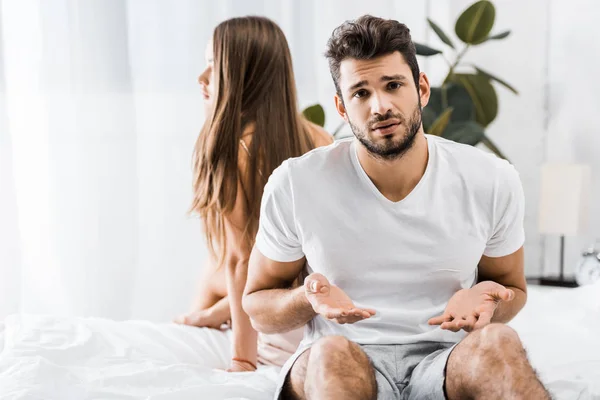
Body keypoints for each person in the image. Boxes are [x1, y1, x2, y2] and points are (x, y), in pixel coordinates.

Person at [242, 15, 551, 399]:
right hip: (345, 357)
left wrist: (489, 300)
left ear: (421, 88)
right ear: (341, 107)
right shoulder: (296, 182)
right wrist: (307, 298)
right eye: (361, 93)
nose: (380, 106)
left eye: (393, 85)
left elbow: (512, 289)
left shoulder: (490, 178)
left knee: (500, 342)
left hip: (447, 357)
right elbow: (258, 307)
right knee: (332, 353)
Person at [175, 16, 332, 373]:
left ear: (242, 75)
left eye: (213, 65)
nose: (202, 77)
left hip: (276, 325)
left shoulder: (233, 151)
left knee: (218, 263)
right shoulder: (320, 138)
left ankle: (202, 318)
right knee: (219, 266)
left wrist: (242, 359)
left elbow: (240, 259)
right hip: (313, 305)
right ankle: (215, 312)